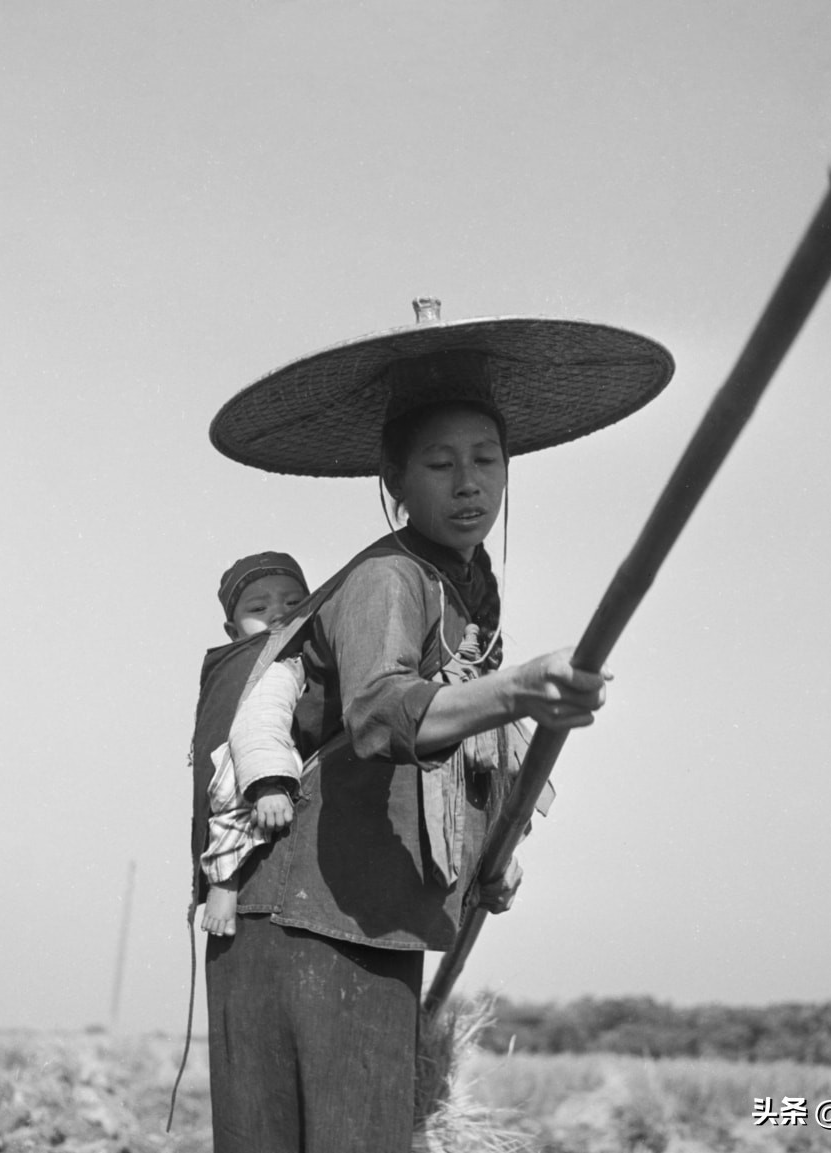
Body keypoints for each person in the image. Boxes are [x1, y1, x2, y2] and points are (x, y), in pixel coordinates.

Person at [195, 299, 674, 1152]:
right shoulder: (391, 576)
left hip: (369, 912)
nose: (469, 482)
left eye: (486, 459)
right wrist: (518, 688)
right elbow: (382, 715)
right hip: (307, 917)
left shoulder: (468, 590)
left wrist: (491, 854)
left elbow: (464, 756)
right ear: (396, 483)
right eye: (440, 463)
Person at [200, 552, 311, 937]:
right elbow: (259, 722)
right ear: (233, 631)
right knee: (233, 806)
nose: (277, 612)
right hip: (252, 771)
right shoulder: (272, 667)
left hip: (268, 756)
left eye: (294, 603)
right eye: (259, 607)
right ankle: (224, 879)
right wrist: (268, 785)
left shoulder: (305, 656)